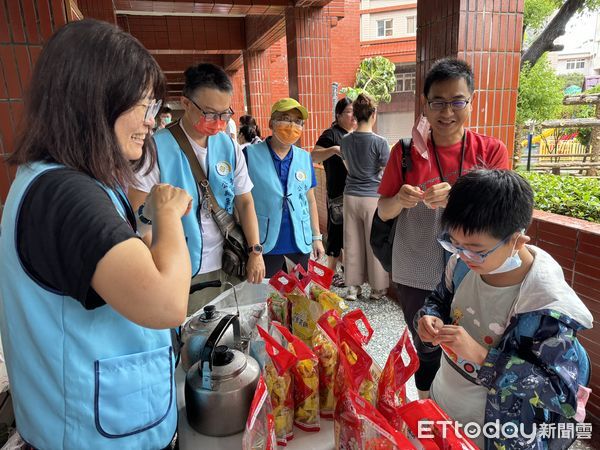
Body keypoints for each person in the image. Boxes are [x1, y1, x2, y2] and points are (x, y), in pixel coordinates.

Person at [0, 19, 190, 449]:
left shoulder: (62, 181)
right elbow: (167, 303)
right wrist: (166, 213)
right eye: (142, 106)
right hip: (94, 435)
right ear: (95, 99)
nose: (151, 121)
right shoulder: (67, 194)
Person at [417, 169, 593, 449]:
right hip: (443, 406)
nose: (463, 255)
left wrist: (482, 356)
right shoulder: (462, 265)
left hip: (499, 435)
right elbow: (438, 300)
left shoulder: (545, 307)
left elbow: (561, 395)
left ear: (517, 240)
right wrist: (429, 318)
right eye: (454, 243)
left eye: (476, 249)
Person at [377, 57, 509, 398]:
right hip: (416, 263)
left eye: (457, 101)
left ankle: (461, 408)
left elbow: (500, 216)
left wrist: (457, 198)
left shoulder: (491, 152)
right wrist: (400, 200)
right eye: (438, 102)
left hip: (471, 266)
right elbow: (384, 210)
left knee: (467, 339)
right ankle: (426, 406)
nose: (447, 111)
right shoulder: (404, 152)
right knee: (426, 340)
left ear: (471, 100)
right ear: (425, 103)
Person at [129, 63, 265, 315]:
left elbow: (245, 202)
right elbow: (138, 214)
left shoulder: (229, 146)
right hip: (183, 269)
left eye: (225, 115)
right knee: (194, 341)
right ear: (186, 103)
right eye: (210, 114)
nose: (218, 123)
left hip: (230, 261)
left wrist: (255, 251)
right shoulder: (155, 149)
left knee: (231, 333)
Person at [243, 98, 325, 277]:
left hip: (298, 243)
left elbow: (310, 201)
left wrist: (316, 238)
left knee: (298, 300)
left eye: (297, 121)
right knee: (265, 300)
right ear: (271, 123)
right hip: (264, 244)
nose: (292, 125)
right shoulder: (249, 155)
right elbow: (241, 202)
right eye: (286, 119)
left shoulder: (304, 158)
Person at [340, 93, 390, 301]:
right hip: (372, 197)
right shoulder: (380, 142)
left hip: (350, 195)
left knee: (352, 243)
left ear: (355, 116)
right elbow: (387, 170)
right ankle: (378, 289)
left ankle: (353, 287)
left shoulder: (345, 140)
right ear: (373, 114)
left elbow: (348, 167)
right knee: (374, 243)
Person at [312, 98, 356, 287]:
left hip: (355, 195)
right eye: (348, 111)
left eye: (355, 111)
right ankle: (327, 280)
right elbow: (313, 155)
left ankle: (344, 276)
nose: (353, 115)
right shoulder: (331, 134)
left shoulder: (356, 135)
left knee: (350, 237)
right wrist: (334, 150)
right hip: (337, 196)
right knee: (336, 237)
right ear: (338, 115)